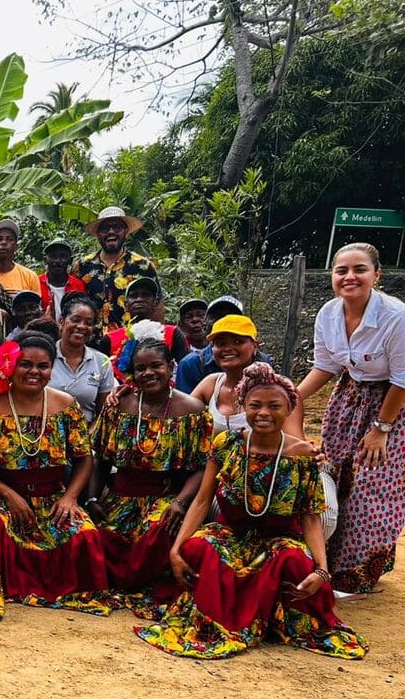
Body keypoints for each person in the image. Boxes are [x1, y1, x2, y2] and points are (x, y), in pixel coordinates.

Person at [137, 364, 366, 660]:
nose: (264, 413)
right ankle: (226, 617)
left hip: (278, 538)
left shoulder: (303, 455)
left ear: (289, 409)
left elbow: (310, 517)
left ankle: (262, 619)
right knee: (199, 548)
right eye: (255, 405)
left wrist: (322, 569)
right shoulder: (227, 444)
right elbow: (203, 501)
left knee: (295, 563)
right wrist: (176, 549)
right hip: (230, 533)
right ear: (243, 407)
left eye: (275, 406)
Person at [0, 333, 109, 621]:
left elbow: (84, 459)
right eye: (25, 364)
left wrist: (70, 498)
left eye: (42, 366)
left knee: (85, 535)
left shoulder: (66, 405)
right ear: (10, 366)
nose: (34, 372)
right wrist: (8, 494)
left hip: (51, 494)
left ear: (51, 369)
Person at [297, 242, 405, 594]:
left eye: (360, 269)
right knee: (335, 475)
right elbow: (325, 366)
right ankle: (328, 564)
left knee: (374, 485)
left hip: (393, 404)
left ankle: (357, 575)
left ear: (377, 275)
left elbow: (402, 379)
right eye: (341, 270)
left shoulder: (396, 316)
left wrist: (381, 429)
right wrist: (289, 397)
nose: (349, 277)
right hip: (349, 397)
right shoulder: (328, 314)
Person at [86, 340, 211, 616]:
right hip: (120, 495)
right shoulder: (118, 405)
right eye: (140, 368)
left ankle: (141, 584)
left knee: (157, 532)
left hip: (165, 496)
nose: (148, 373)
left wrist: (180, 502)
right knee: (97, 535)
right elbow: (101, 458)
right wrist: (92, 498)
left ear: (170, 367)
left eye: (156, 365)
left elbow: (201, 467)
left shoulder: (193, 410)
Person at [190, 315, 300, 438]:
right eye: (220, 343)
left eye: (238, 341)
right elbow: (182, 414)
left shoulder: (279, 387)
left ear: (254, 346)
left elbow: (295, 440)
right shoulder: (211, 384)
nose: (227, 348)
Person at [76, 205, 159, 331]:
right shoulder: (82, 266)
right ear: (98, 234)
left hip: (129, 339)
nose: (111, 231)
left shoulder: (143, 266)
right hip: (90, 339)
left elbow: (157, 306)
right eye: (105, 228)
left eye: (117, 227)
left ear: (125, 231)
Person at [174, 295, 273, 393]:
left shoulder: (262, 361)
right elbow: (185, 402)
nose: (225, 323)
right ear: (206, 326)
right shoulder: (191, 364)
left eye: (231, 317)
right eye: (218, 317)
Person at [49, 293, 115, 424]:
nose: (81, 326)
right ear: (62, 322)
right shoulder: (46, 356)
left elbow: (103, 414)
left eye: (88, 323)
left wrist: (89, 433)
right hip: (47, 431)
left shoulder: (101, 362)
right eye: (75, 320)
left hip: (87, 432)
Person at [105, 277, 189, 365]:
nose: (139, 299)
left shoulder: (172, 334)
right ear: (126, 305)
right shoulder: (110, 340)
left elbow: (186, 367)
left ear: (156, 302)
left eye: (145, 295)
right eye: (134, 296)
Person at [0, 218, 40, 294]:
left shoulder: (30, 277)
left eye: (10, 239)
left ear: (16, 247)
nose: (4, 242)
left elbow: (35, 302)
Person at [39, 236, 86, 320]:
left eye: (63, 256)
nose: (57, 261)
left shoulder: (78, 285)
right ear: (45, 260)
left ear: (70, 260)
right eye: (53, 256)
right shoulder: (36, 282)